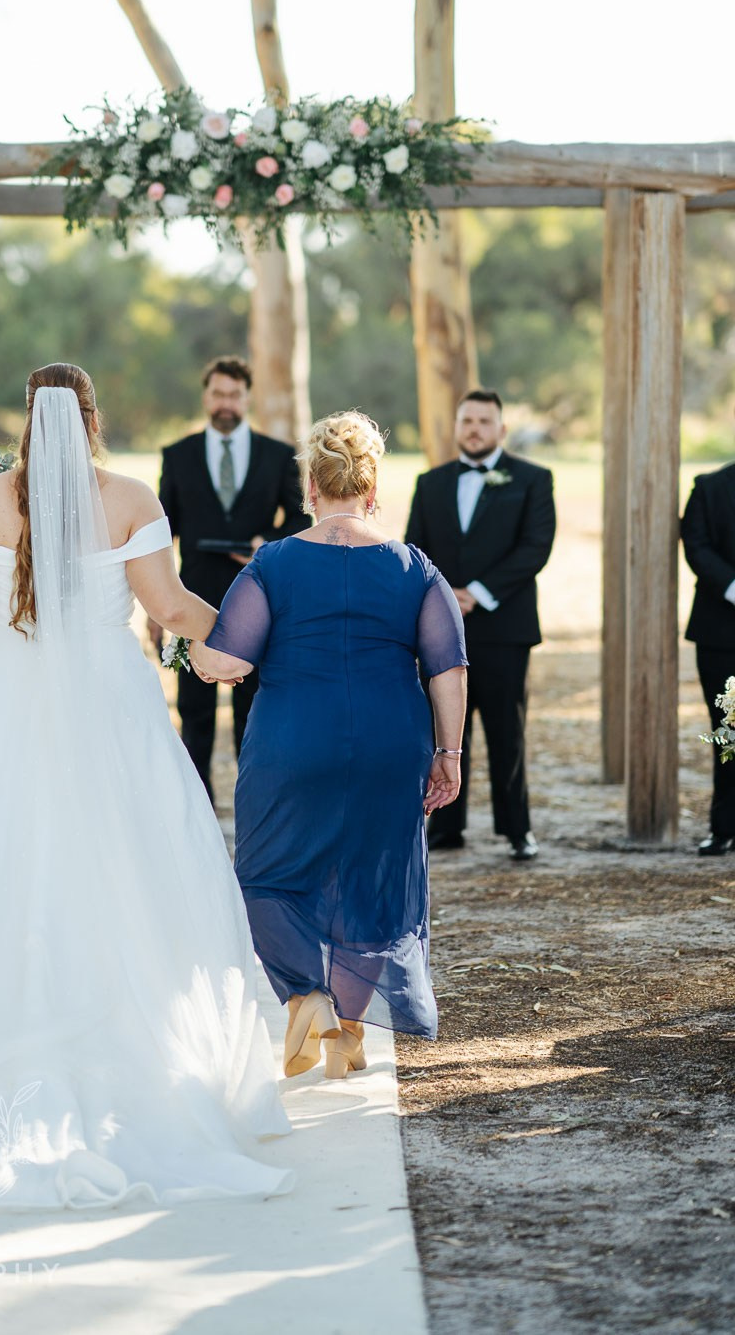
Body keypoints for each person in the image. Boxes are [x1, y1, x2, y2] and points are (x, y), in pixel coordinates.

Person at [0, 363, 293, 1211]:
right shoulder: (131, 496)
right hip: (110, 691)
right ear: (91, 418)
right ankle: (138, 1042)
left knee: (5, 853)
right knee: (130, 850)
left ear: (28, 420)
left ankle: (4, 1031)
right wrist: (246, 634)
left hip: (6, 695)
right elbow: (170, 607)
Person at [190, 412, 467, 1079]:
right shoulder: (413, 568)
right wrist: (448, 753)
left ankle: (304, 998)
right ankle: (346, 1031)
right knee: (374, 882)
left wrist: (188, 644)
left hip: (293, 740)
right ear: (372, 489)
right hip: (389, 741)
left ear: (311, 487)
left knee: (266, 876)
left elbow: (225, 663)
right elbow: (448, 667)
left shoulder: (275, 563)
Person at [405, 389, 555, 862]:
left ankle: (517, 829)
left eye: (483, 422)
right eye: (466, 420)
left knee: (507, 730)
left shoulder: (532, 479)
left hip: (506, 627)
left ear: (501, 429)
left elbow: (535, 546)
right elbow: (414, 550)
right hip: (441, 629)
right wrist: (445, 599)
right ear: (456, 426)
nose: (474, 429)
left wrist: (479, 593)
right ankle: (446, 827)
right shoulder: (430, 482)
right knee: (446, 728)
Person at [153, 356, 309, 804]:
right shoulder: (177, 455)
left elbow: (302, 518)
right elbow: (163, 532)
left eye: (234, 395)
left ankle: (256, 801)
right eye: (218, 393)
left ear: (247, 398)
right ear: (206, 396)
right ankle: (196, 805)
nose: (226, 403)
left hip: (260, 597)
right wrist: (157, 606)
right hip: (190, 598)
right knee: (194, 710)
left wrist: (269, 541)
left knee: (254, 708)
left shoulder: (277, 455)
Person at [681, 461, 735, 855]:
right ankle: (725, 826)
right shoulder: (709, 486)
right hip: (722, 632)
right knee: (728, 731)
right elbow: (696, 544)